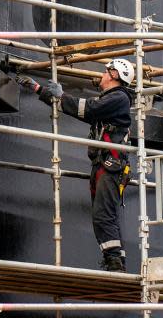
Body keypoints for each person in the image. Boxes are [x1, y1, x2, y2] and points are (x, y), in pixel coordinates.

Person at [16, 59, 135, 272]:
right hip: (105, 165)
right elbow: (76, 110)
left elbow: (87, 109)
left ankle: (115, 265)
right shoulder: (111, 101)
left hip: (111, 165)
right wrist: (38, 89)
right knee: (105, 214)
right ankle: (114, 261)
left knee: (103, 215)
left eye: (106, 71)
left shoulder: (119, 98)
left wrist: (61, 94)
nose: (102, 74)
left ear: (115, 75)